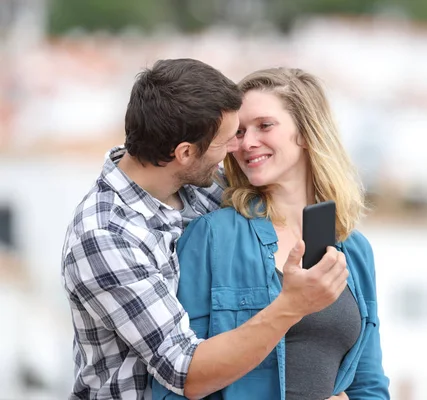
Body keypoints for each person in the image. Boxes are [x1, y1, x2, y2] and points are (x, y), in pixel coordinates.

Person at [61, 59, 349, 399]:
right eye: (227, 140)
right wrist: (292, 305)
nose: (236, 148)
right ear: (184, 152)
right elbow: (184, 369)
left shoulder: (202, 185)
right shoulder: (106, 236)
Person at [151, 67, 390, 399]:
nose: (247, 143)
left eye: (264, 126)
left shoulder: (354, 250)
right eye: (240, 131)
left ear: (306, 132)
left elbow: (369, 382)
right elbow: (175, 385)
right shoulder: (213, 237)